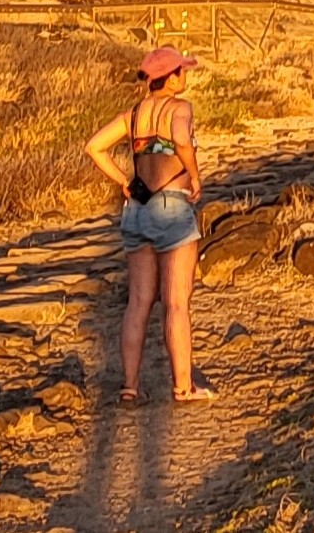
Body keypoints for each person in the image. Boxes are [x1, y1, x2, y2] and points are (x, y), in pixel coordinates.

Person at [85, 46, 216, 404]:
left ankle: (130, 386)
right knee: (176, 303)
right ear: (170, 77)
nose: (184, 76)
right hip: (172, 206)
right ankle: (183, 387)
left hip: (138, 209)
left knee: (138, 302)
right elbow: (183, 143)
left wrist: (123, 182)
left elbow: (95, 146)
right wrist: (195, 176)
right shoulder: (180, 108)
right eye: (181, 71)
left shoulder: (134, 113)